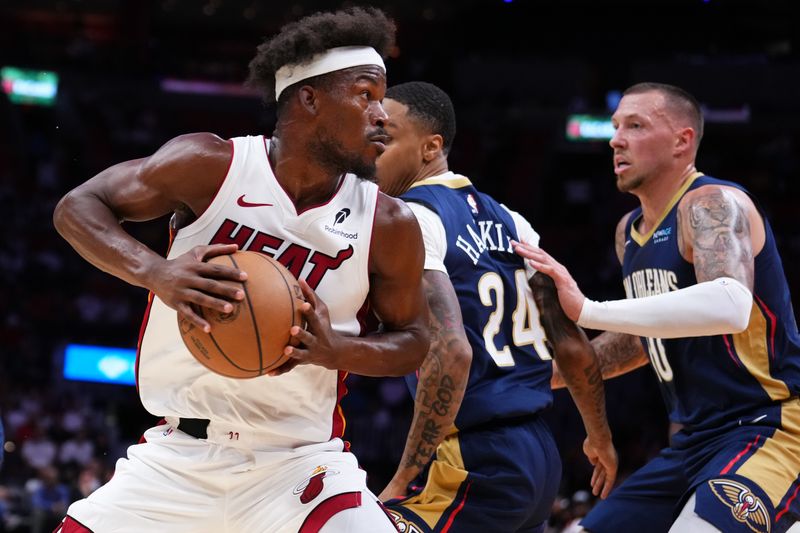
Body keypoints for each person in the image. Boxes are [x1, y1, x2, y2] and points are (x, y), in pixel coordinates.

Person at [51, 8, 430, 533]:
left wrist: (336, 351)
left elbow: (415, 340)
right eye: (365, 94)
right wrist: (155, 272)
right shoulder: (210, 165)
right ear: (310, 98)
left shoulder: (388, 222)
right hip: (177, 460)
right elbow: (77, 207)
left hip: (301, 466)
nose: (382, 115)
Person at [514, 82, 800, 533]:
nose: (615, 139)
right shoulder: (629, 231)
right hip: (690, 444)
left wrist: (587, 310)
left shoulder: (711, 203)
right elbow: (643, 336)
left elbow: (730, 303)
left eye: (636, 125)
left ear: (682, 141)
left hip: (769, 427)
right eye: (614, 127)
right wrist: (541, 372)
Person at [374, 81, 617, 533]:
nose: (373, 150)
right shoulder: (513, 220)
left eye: (385, 137)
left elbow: (452, 353)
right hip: (540, 454)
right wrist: (599, 435)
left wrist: (404, 476)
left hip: (474, 458)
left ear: (430, 147)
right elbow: (570, 344)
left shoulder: (414, 219)